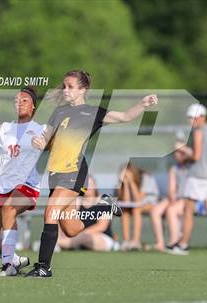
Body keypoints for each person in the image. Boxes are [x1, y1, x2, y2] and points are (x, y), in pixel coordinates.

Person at [26, 69, 158, 277]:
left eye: (70, 86)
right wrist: (38, 142)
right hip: (55, 172)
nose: (66, 90)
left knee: (50, 211)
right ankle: (102, 207)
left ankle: (43, 267)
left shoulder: (92, 112)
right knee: (71, 229)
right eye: (64, 86)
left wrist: (143, 104)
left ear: (83, 90)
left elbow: (124, 117)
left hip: (75, 170)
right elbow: (45, 140)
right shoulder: (58, 113)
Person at [0, 86, 45, 276]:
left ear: (33, 106)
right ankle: (16, 260)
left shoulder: (40, 129)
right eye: (17, 100)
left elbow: (50, 146)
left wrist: (44, 144)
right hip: (3, 186)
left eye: (25, 100)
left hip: (26, 185)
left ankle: (8, 265)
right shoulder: (4, 128)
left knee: (9, 207)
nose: (20, 103)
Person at [172, 103, 207, 255]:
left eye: (193, 117)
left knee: (188, 212)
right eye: (189, 117)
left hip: (197, 177)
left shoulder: (199, 131)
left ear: (202, 117)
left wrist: (182, 148)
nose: (191, 120)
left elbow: (196, 155)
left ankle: (183, 245)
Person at [150, 141, 190, 252]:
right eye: (176, 152)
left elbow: (192, 154)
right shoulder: (174, 169)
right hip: (177, 198)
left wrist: (183, 148)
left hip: (189, 199)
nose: (177, 154)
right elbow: (172, 189)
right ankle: (160, 243)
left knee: (171, 210)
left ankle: (174, 242)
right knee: (155, 211)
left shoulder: (193, 165)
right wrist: (172, 197)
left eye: (180, 152)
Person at [58, 176, 116, 252]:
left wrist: (80, 234)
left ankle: (55, 244)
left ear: (95, 186)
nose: (87, 187)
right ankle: (57, 243)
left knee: (84, 238)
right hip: (77, 238)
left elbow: (101, 226)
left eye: (90, 185)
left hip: (102, 237)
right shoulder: (76, 202)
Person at [117, 162, 143, 251]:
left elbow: (138, 200)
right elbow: (126, 202)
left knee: (136, 210)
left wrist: (131, 181)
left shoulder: (144, 179)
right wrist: (126, 184)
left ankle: (136, 241)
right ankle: (126, 241)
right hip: (132, 205)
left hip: (148, 203)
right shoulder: (120, 183)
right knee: (125, 211)